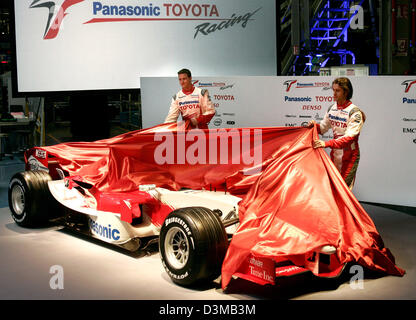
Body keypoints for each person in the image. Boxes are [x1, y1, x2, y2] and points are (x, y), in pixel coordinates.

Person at [307, 77, 365, 189]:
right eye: (333, 90)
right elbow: (323, 128)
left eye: (337, 91)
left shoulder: (355, 112)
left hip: (349, 156)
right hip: (335, 155)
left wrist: (326, 144)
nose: (334, 94)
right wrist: (314, 126)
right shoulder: (331, 108)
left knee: (344, 190)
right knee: (333, 188)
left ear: (346, 92)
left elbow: (349, 138)